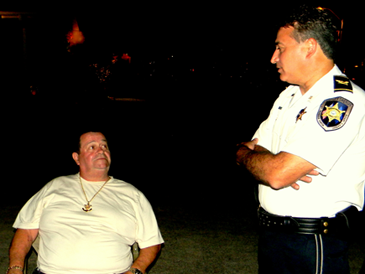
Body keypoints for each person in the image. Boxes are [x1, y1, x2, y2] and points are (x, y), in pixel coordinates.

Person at [236, 4, 365, 274]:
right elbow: (254, 148)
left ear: (309, 47)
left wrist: (252, 157)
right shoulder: (289, 95)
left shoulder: (341, 101)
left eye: (280, 48)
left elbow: (277, 174)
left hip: (312, 242)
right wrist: (253, 155)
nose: (273, 58)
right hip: (273, 236)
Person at [7, 131, 163, 274]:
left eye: (104, 146)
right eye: (92, 147)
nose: (101, 150)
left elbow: (151, 242)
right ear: (76, 158)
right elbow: (26, 231)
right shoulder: (55, 186)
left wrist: (136, 270)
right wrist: (15, 267)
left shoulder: (131, 193)